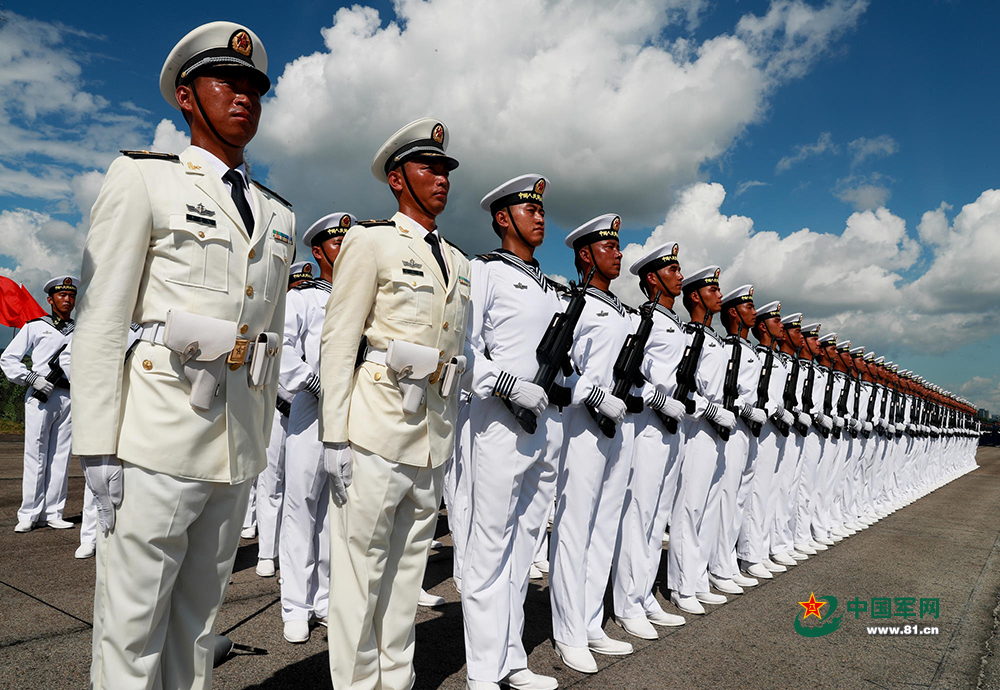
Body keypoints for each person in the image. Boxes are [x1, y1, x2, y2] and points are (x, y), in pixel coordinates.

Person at [71, 22, 294, 689]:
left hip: (234, 444)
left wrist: (259, 434)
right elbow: (102, 317)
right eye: (228, 81)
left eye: (255, 86)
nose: (245, 96)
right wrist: (98, 446)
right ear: (187, 97)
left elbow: (270, 334)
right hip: (154, 437)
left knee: (197, 626)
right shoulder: (145, 180)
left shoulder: (275, 212)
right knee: (132, 630)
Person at [319, 118, 471, 690]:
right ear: (396, 178)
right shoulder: (372, 239)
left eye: (445, 169)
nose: (440, 178)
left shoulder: (456, 261)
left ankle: (396, 680)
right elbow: (339, 341)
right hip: (375, 429)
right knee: (361, 578)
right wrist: (334, 436)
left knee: (407, 579)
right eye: (428, 167)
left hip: (430, 435)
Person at [461, 174, 562, 690]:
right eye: (529, 210)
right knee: (488, 547)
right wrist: (507, 385)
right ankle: (481, 672)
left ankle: (512, 659)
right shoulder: (484, 272)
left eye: (542, 210)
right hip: (498, 424)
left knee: (524, 546)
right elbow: (463, 347)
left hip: (542, 428)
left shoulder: (550, 284)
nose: (539, 216)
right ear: (503, 218)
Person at [550, 214, 636, 674]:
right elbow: (557, 363)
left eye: (618, 247)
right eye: (609, 247)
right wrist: (594, 393)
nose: (618, 254)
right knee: (574, 528)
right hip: (581, 426)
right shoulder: (574, 303)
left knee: (604, 525)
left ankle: (589, 621)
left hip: (617, 426)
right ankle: (567, 632)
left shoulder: (622, 311)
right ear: (586, 254)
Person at [279, 213, 354, 642]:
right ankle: (296, 604)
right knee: (302, 505)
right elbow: (283, 343)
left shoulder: (361, 298)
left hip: (350, 413)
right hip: (311, 408)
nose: (344, 250)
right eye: (337, 242)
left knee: (337, 506)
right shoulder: (303, 298)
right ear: (319, 250)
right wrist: (307, 377)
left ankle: (325, 598)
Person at [611, 242, 689, 640]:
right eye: (672, 270)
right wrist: (660, 399)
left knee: (657, 517)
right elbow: (628, 368)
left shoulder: (674, 324)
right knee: (639, 514)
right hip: (646, 427)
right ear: (652, 279)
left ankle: (643, 595)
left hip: (671, 428)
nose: (679, 275)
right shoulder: (644, 320)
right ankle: (627, 602)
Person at [667, 266, 736, 615]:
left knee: (708, 508)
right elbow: (683, 390)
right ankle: (681, 585)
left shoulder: (714, 340)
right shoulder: (690, 336)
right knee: (689, 509)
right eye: (713, 290)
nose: (719, 295)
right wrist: (712, 410)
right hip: (695, 431)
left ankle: (697, 578)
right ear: (696, 296)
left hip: (716, 432)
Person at [1, 276, 78, 533]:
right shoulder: (35, 327)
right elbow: (9, 359)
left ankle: (54, 511)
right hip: (41, 396)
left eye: (71, 296)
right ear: (50, 299)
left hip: (69, 396)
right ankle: (29, 513)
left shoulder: (81, 330)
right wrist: (32, 379)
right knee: (36, 452)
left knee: (61, 455)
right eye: (61, 295)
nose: (67, 300)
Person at [708, 284, 765, 595]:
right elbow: (724, 392)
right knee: (726, 498)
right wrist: (745, 409)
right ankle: (720, 565)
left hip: (747, 431)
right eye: (749, 307)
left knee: (740, 498)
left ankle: (729, 559)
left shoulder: (749, 351)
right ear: (734, 312)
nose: (753, 313)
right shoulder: (729, 348)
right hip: (731, 429)